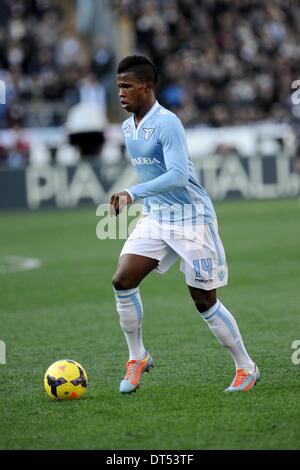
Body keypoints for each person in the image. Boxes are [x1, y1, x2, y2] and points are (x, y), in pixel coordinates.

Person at [111, 55, 260, 394]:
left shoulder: (168, 123)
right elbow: (152, 172)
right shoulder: (126, 126)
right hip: (157, 218)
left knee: (204, 300)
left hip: (192, 221)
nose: (120, 93)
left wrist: (132, 193)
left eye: (127, 86)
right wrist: (141, 198)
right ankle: (138, 357)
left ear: (147, 87)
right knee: (122, 280)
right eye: (118, 86)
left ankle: (246, 367)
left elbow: (178, 176)